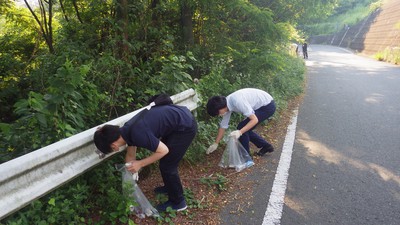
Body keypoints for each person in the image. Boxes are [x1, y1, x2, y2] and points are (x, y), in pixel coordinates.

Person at [93, 94, 197, 212]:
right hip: (177, 121)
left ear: (114, 146)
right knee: (166, 162)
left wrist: (140, 164)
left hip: (185, 126)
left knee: (168, 165)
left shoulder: (137, 133)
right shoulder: (126, 130)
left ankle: (178, 202)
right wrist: (130, 173)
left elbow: (164, 150)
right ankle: (170, 187)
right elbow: (131, 155)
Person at [206, 88, 276, 157]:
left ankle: (246, 156)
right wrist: (216, 143)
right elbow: (223, 126)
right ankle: (266, 146)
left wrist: (240, 132)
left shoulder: (237, 101)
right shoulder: (226, 105)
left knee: (242, 128)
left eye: (218, 113)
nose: (219, 115)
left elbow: (254, 120)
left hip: (267, 105)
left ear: (220, 107)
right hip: (260, 105)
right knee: (244, 128)